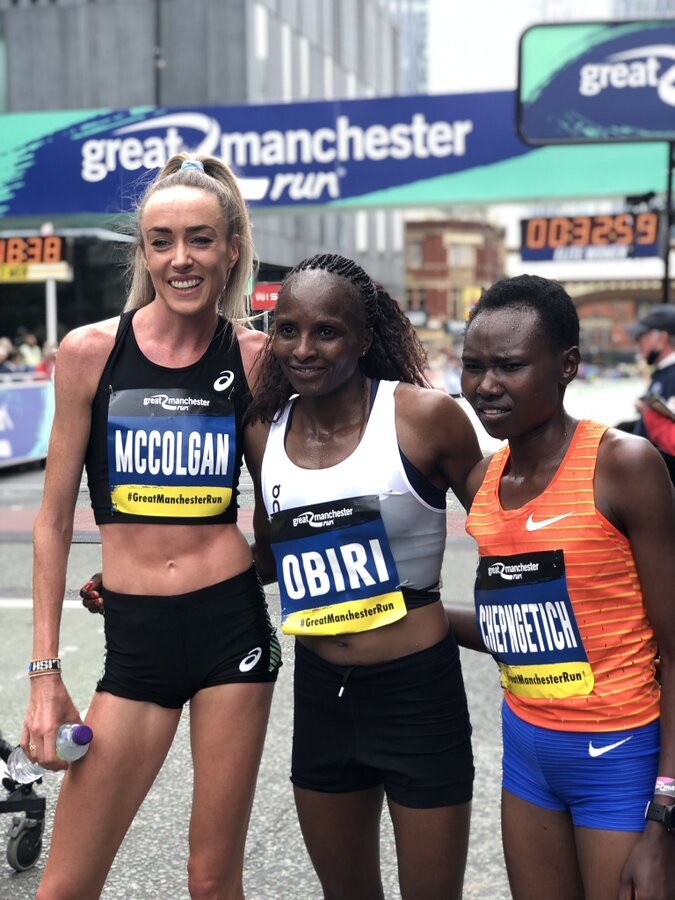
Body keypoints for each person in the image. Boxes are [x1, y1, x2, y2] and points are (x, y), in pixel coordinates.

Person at [22, 152, 281, 900]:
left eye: (200, 239)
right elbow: (52, 520)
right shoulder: (90, 352)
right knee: (64, 887)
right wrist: (44, 673)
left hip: (232, 628)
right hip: (136, 639)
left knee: (212, 881)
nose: (180, 258)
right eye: (161, 241)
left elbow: (282, 504)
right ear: (143, 251)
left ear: (230, 249)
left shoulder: (255, 357)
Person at [242, 253, 482, 900]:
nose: (303, 349)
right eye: (287, 330)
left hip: (417, 694)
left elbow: (506, 533)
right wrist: (150, 576)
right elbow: (268, 560)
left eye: (326, 331)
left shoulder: (423, 417)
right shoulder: (264, 431)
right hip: (324, 695)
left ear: (365, 338)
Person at [448, 275, 675, 900]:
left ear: (566, 365)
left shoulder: (623, 466)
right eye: (474, 366)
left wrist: (664, 814)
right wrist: (414, 615)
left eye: (510, 366)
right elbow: (518, 629)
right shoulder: (483, 482)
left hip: (620, 759)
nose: (486, 385)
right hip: (527, 757)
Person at [625, 305, 675, 485]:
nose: (638, 340)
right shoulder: (663, 373)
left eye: (643, 335)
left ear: (662, 338)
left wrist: (648, 413)